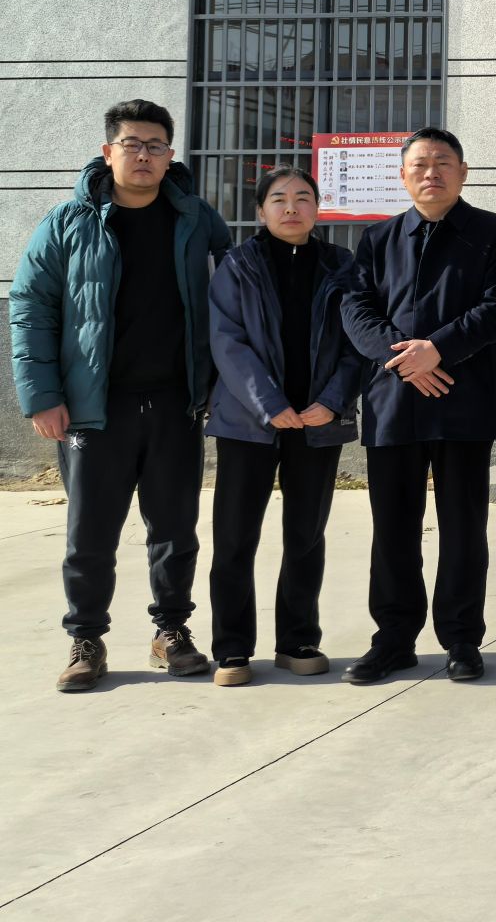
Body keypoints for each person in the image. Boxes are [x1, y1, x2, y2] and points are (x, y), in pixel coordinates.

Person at [12, 100, 231, 693]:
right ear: (108, 152)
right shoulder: (68, 221)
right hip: (94, 408)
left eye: (155, 146)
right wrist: (41, 396)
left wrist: (222, 387)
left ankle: (171, 631)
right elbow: (31, 307)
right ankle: (86, 638)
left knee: (176, 529)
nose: (143, 156)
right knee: (90, 534)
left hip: (176, 403)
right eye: (132, 144)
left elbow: (231, 304)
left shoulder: (197, 220)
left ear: (170, 155)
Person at [339, 127, 496, 685]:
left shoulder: (495, 232)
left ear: (463, 172)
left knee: (463, 527)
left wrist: (436, 350)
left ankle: (462, 639)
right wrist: (404, 360)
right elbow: (356, 308)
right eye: (419, 163)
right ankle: (394, 639)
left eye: (443, 162)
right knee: (393, 528)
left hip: (462, 397)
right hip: (393, 400)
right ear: (402, 175)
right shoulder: (377, 238)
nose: (431, 172)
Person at [205, 166, 364, 686]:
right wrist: (269, 404)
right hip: (248, 423)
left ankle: (297, 639)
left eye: (302, 197)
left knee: (306, 534)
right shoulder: (237, 265)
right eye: (278, 198)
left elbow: (357, 343)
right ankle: (232, 648)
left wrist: (332, 402)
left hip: (317, 421)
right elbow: (227, 342)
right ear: (261, 211)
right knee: (235, 535)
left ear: (318, 207)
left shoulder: (341, 265)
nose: (291, 207)